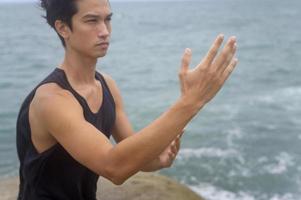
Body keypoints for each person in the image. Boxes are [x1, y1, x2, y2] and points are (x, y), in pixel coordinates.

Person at [16, 0, 238, 199]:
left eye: (107, 19)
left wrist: (159, 159)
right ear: (63, 28)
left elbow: (131, 155)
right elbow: (114, 166)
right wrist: (191, 101)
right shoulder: (52, 100)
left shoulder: (106, 86)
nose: (104, 31)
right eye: (92, 21)